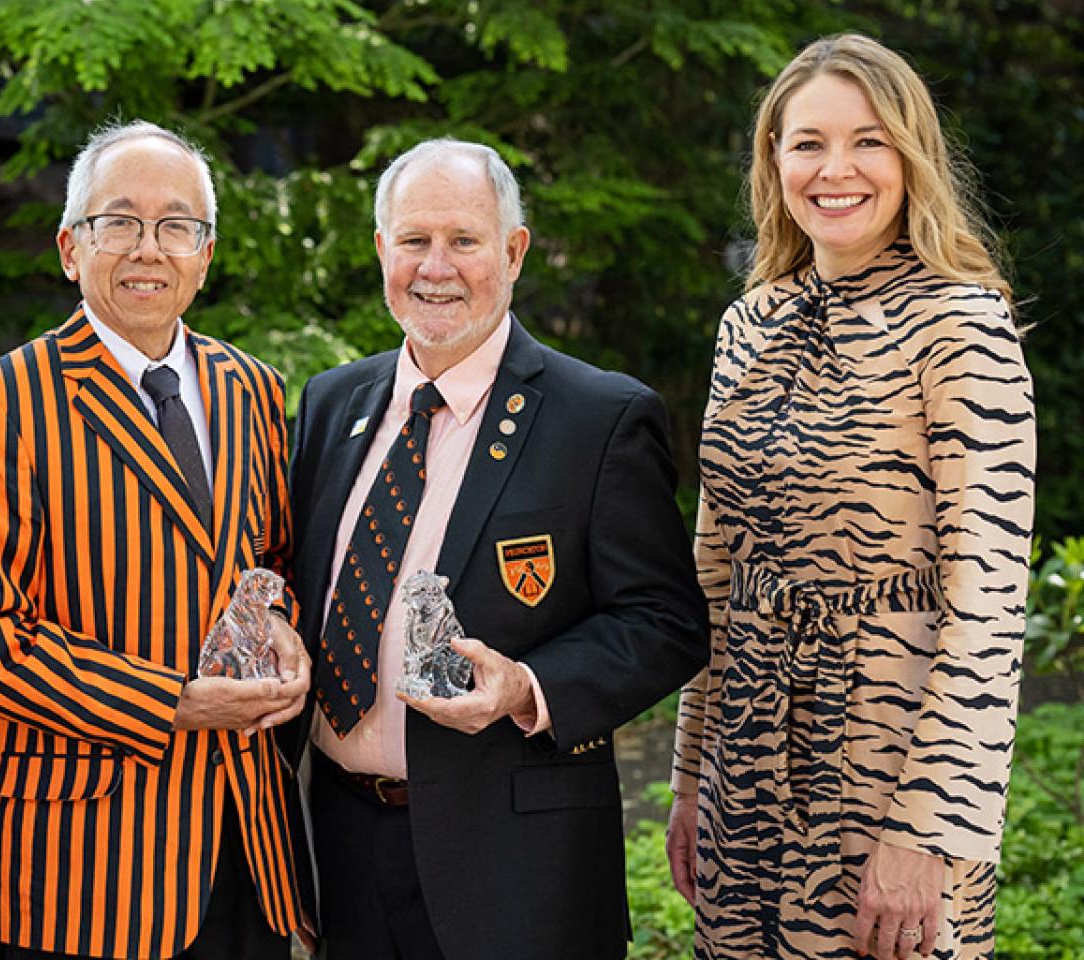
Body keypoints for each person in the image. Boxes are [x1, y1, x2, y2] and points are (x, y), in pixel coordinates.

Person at [284, 138, 709, 960]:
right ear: (381, 250)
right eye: (414, 240)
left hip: (517, 874)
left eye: (464, 240)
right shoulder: (331, 403)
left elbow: (667, 623)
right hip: (339, 847)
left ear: (513, 253)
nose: (435, 267)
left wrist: (526, 686)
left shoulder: (599, 418)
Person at [667, 33, 1035, 960]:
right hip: (744, 764)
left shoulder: (962, 325)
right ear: (774, 159)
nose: (836, 170)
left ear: (911, 156)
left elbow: (989, 603)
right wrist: (689, 779)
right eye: (809, 143)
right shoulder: (748, 323)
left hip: (892, 767)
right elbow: (714, 572)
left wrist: (930, 828)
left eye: (868, 141)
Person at [0, 120, 313, 960]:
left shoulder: (252, 389)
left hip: (245, 844)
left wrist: (281, 623)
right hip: (88, 864)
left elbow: (270, 562)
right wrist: (174, 702)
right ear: (71, 248)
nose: (148, 248)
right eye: (120, 222)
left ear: (204, 255)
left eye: (176, 225)